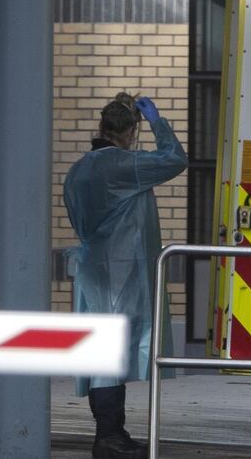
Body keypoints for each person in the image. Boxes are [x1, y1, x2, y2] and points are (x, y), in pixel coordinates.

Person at [64, 92, 187, 459]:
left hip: (92, 267)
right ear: (131, 131)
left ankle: (111, 432)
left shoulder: (78, 170)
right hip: (121, 269)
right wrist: (159, 122)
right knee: (110, 353)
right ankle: (108, 436)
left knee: (101, 351)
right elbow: (174, 159)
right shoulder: (125, 165)